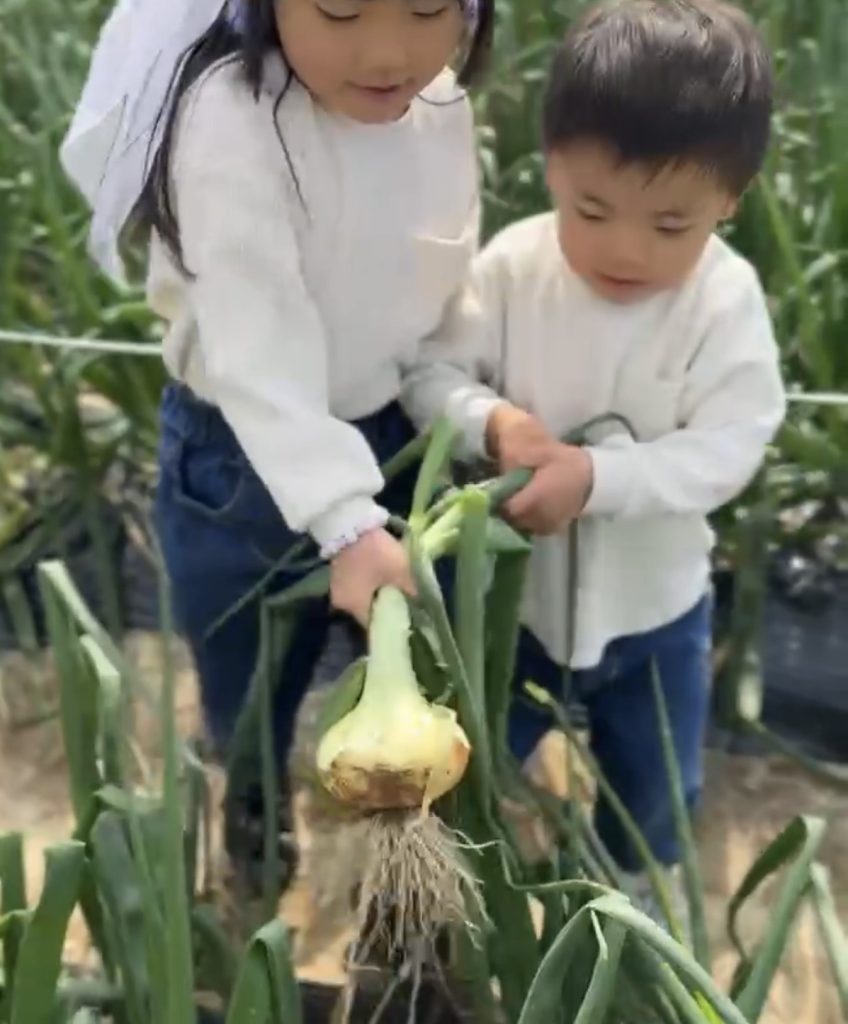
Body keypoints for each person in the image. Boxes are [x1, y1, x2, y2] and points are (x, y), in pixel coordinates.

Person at [61, 0, 493, 896]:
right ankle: (255, 846)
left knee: (412, 688)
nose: (389, 51)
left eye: (429, 8)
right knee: (250, 692)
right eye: (339, 9)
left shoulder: (442, 108)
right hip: (242, 461)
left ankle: (407, 892)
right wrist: (344, 521)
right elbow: (258, 351)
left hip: (393, 438)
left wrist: (478, 416)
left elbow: (445, 310)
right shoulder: (229, 117)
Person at [402, 0, 786, 916]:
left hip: (656, 613)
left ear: (731, 201)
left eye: (671, 225)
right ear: (551, 165)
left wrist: (598, 482)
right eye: (593, 209)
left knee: (653, 790)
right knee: (465, 768)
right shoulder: (512, 267)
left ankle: (629, 917)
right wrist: (493, 423)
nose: (624, 248)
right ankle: (444, 904)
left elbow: (730, 446)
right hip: (511, 611)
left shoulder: (725, 303)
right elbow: (430, 373)